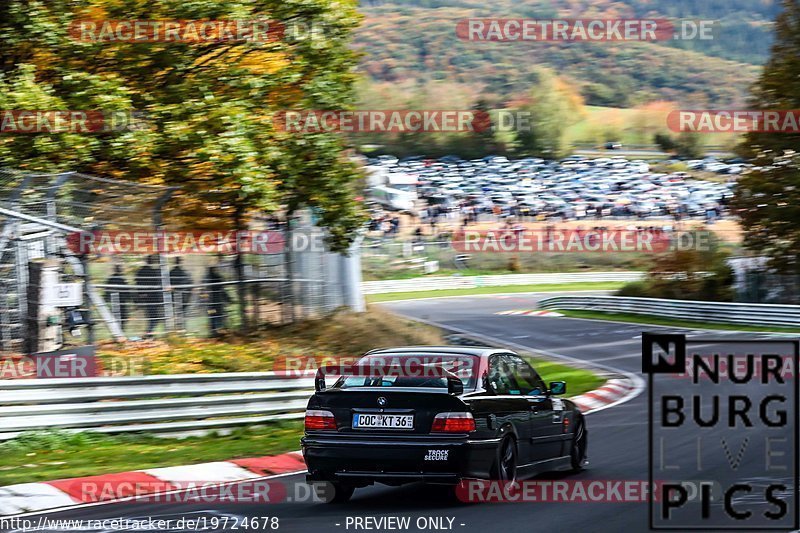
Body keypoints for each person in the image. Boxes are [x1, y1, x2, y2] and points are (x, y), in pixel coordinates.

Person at [135, 255, 163, 338]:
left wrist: (141, 295)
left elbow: (138, 283)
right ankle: (148, 333)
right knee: (154, 317)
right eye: (152, 260)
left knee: (153, 317)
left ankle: (149, 333)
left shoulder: (141, 271)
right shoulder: (150, 271)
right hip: (152, 298)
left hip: (149, 298)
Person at [105, 264, 132, 333]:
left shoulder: (111, 278)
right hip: (121, 300)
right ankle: (120, 330)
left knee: (116, 316)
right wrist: (129, 297)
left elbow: (107, 289)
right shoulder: (122, 279)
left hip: (114, 300)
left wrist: (107, 298)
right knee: (122, 316)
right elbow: (127, 289)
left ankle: (118, 331)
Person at [204, 266, 230, 337]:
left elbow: (203, 292)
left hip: (211, 303)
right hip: (217, 301)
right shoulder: (217, 278)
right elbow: (222, 290)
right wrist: (227, 299)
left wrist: (203, 300)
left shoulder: (205, 279)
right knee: (218, 315)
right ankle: (218, 330)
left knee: (212, 315)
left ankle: (214, 330)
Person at [169, 257, 193, 329]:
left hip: (175, 296)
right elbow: (189, 284)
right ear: (180, 262)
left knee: (177, 312)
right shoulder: (185, 273)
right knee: (182, 312)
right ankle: (182, 327)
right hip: (183, 296)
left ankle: (178, 327)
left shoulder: (171, 272)